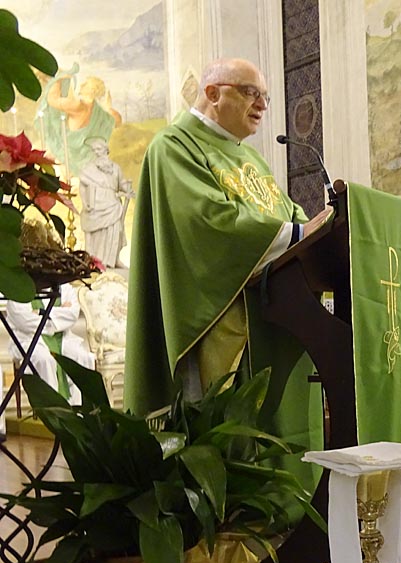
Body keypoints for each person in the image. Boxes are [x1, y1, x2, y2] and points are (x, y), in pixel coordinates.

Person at [124, 58, 332, 454]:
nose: (262, 105)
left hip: (276, 317)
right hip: (223, 321)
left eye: (265, 96)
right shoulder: (174, 147)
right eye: (252, 93)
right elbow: (207, 223)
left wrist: (318, 228)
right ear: (213, 93)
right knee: (234, 439)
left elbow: (287, 214)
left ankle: (292, 492)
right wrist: (298, 233)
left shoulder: (250, 159)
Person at [7, 283, 96, 406]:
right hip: (29, 339)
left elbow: (72, 314)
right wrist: (56, 319)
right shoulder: (18, 288)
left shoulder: (64, 287)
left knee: (82, 356)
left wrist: (41, 312)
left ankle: (79, 408)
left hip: (62, 337)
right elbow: (24, 321)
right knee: (45, 360)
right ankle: (50, 409)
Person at [39, 72, 122, 174]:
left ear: (92, 90)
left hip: (68, 156)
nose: (81, 85)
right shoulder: (99, 111)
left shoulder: (78, 105)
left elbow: (53, 100)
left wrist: (58, 80)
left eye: (85, 84)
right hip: (86, 160)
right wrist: (108, 107)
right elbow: (117, 120)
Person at [78, 138, 133, 268]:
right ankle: (94, 261)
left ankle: (112, 260)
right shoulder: (89, 169)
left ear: (106, 150)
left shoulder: (116, 168)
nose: (96, 152)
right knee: (94, 231)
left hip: (112, 203)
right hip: (95, 204)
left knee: (114, 231)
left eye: (99, 149)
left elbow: (121, 184)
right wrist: (85, 203)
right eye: (94, 150)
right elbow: (83, 187)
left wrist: (127, 188)